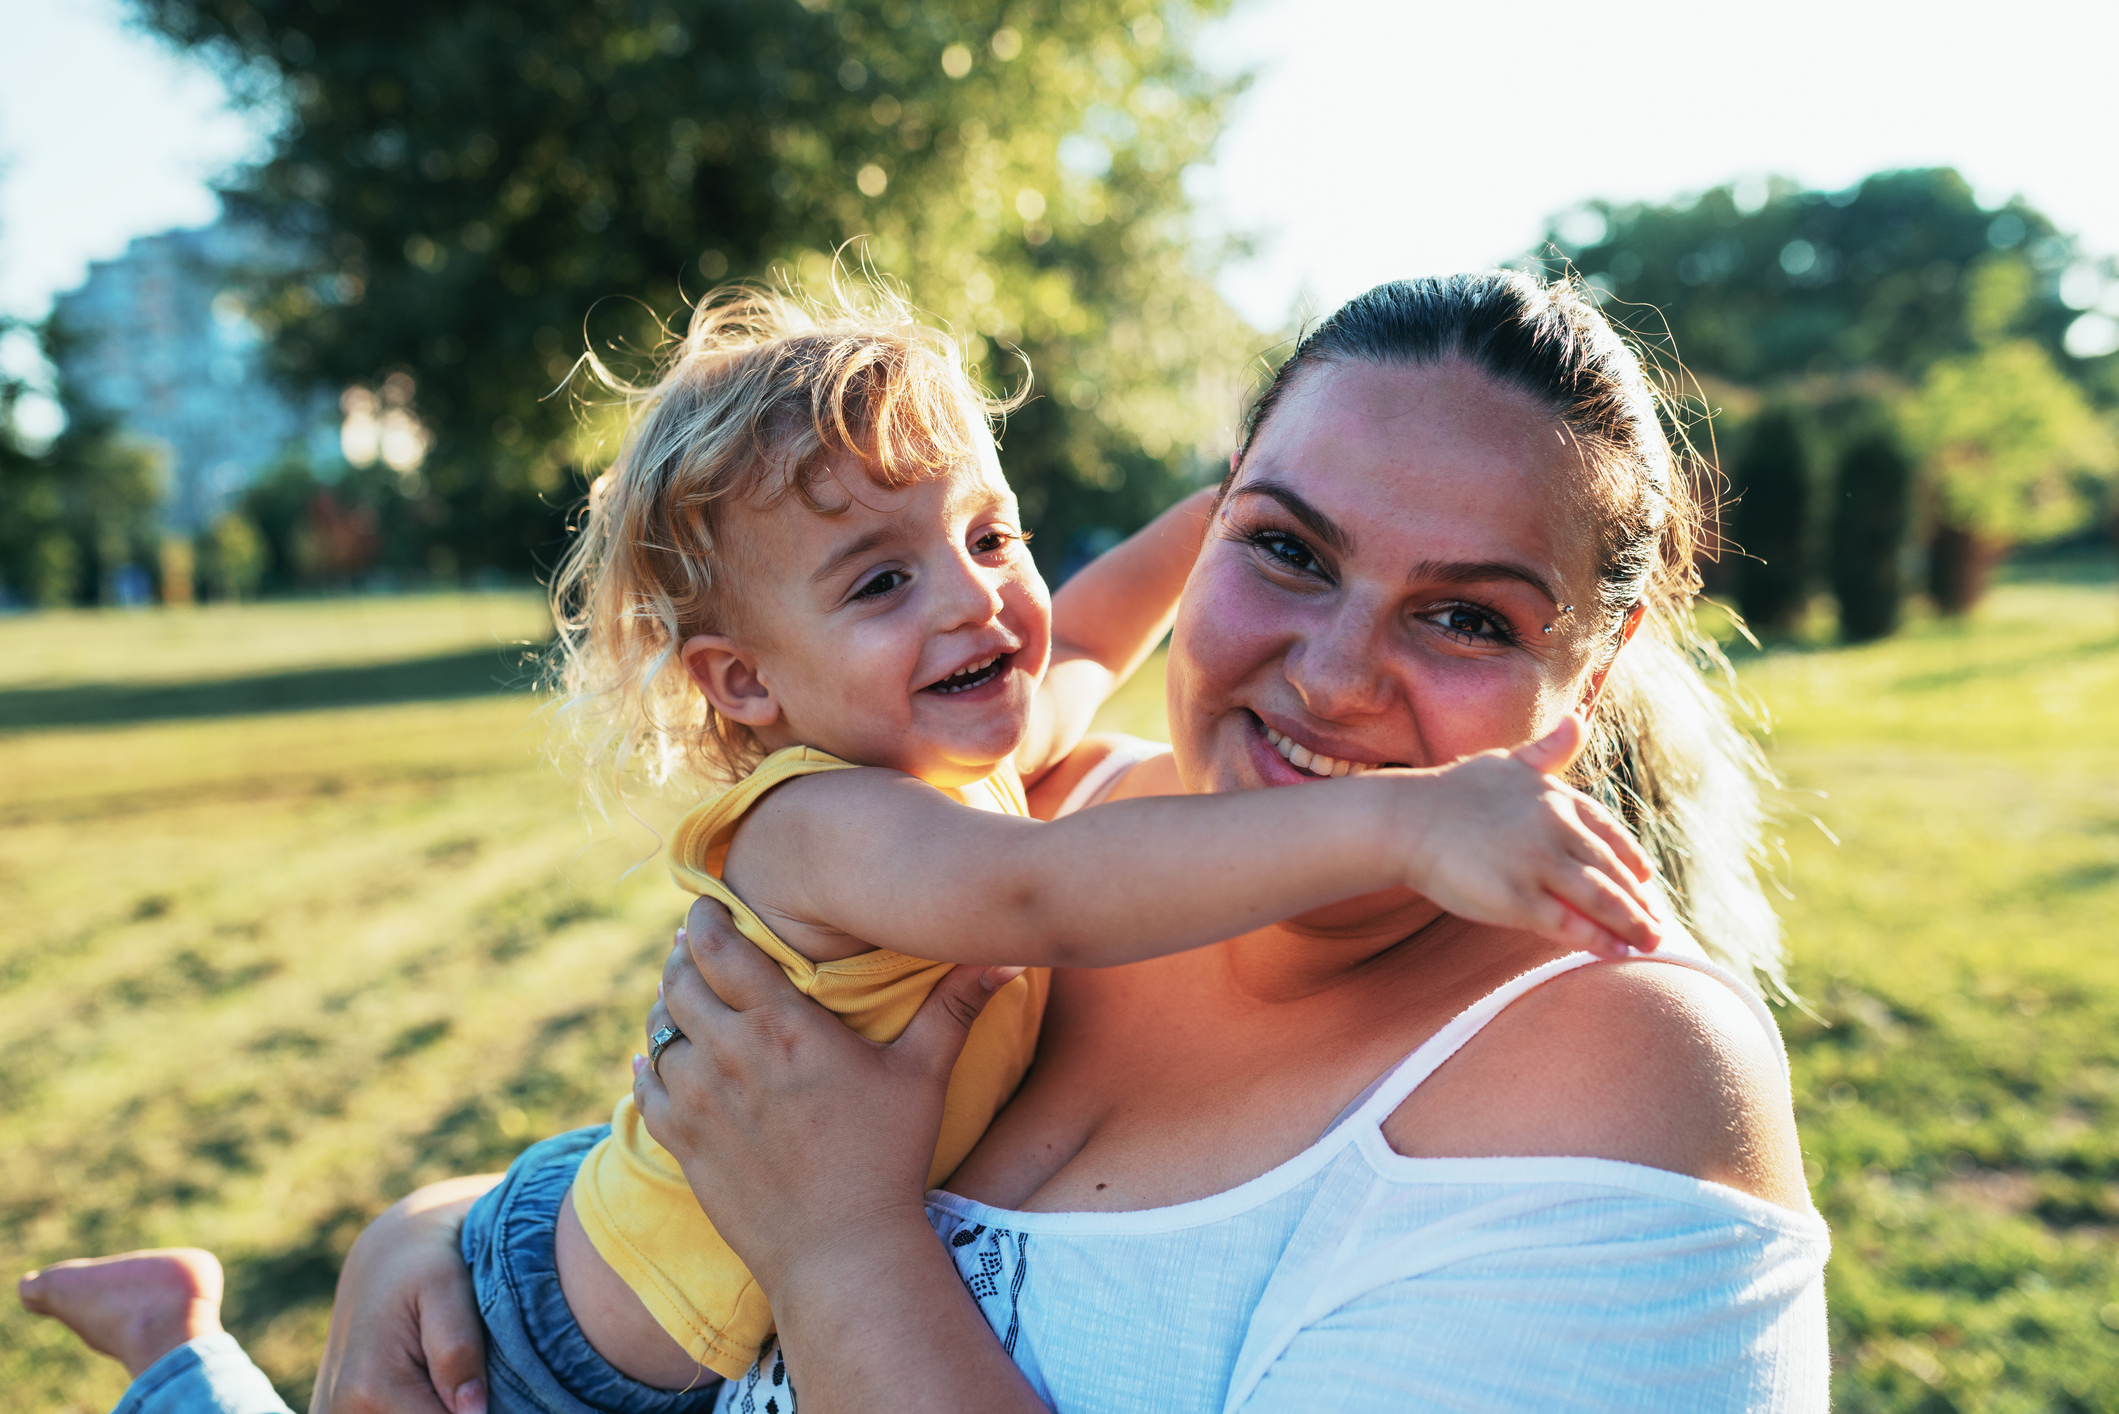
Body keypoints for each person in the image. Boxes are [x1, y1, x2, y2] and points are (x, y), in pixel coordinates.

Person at [23, 271, 1829, 1412]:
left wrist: (838, 1247)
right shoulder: (1043, 819)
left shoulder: (1615, 1074)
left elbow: (1092, 628)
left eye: (1468, 618)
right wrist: (424, 1234)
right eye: (1287, 549)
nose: (1338, 670)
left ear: (1575, 706)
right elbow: (718, 1108)